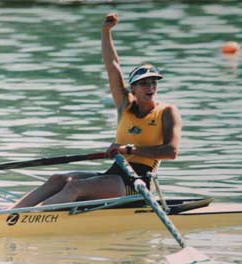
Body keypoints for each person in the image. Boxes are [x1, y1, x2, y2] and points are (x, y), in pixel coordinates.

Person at [9, 13, 182, 208]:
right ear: (133, 88)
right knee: (58, 179)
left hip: (137, 182)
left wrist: (129, 149)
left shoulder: (167, 111)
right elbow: (112, 66)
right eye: (144, 84)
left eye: (153, 82)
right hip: (115, 173)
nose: (150, 87)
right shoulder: (125, 105)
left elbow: (171, 152)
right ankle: (9, 214)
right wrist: (105, 32)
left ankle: (28, 220)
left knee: (74, 188)